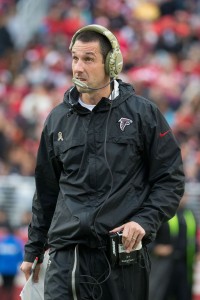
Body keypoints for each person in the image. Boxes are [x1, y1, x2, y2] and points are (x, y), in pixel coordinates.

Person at [20, 24, 185, 300]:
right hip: (67, 257)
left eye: (88, 59)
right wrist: (34, 250)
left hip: (122, 259)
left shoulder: (143, 114)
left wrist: (144, 221)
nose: (78, 67)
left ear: (112, 63)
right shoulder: (57, 119)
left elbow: (171, 178)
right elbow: (46, 192)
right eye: (74, 58)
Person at [149, 194, 199, 300]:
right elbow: (147, 238)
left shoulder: (189, 214)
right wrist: (156, 248)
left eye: (185, 195)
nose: (183, 198)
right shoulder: (162, 213)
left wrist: (197, 251)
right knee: (160, 294)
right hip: (163, 264)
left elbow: (193, 238)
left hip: (184, 264)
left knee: (184, 295)